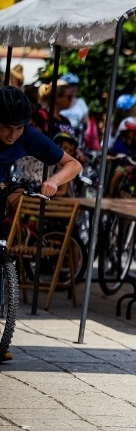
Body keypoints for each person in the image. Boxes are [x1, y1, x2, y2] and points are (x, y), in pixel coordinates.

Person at [0, 86, 81, 362]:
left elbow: (73, 164)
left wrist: (54, 181)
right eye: (6, 127)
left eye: (18, 128)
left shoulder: (28, 135)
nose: (12, 135)